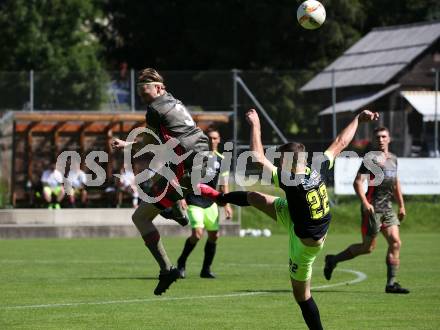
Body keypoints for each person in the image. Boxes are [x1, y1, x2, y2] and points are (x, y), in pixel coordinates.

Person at [198, 108, 379, 330]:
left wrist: (255, 123)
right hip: (298, 215)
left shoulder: (292, 181)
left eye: (282, 159)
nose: (279, 163)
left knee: (302, 296)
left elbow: (257, 158)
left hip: (305, 244)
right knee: (257, 197)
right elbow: (341, 142)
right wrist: (358, 119)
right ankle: (220, 197)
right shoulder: (317, 168)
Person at [111, 68, 209, 295]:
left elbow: (148, 141)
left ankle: (167, 268)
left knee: (140, 217)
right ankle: (177, 210)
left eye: (146, 93)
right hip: (197, 160)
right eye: (142, 95)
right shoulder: (175, 102)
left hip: (186, 163)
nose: (144, 98)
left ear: (159, 88)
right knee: (157, 178)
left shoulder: (155, 109)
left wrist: (126, 145)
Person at [324, 127, 409, 294]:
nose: (381, 139)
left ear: (389, 139)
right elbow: (357, 182)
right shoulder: (370, 159)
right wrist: (365, 202)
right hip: (372, 210)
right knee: (367, 248)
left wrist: (402, 205)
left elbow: (395, 182)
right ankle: (333, 260)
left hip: (388, 209)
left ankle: (391, 284)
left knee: (396, 242)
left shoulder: (393, 159)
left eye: (384, 136)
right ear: (373, 139)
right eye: (378, 137)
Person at [176, 127, 233, 279]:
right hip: (194, 200)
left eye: (215, 138)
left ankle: (206, 270)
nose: (212, 141)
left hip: (211, 203)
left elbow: (223, 184)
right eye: (209, 138)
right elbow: (182, 178)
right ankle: (181, 263)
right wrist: (181, 197)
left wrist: (227, 204)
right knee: (197, 234)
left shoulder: (222, 160)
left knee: (214, 236)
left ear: (219, 140)